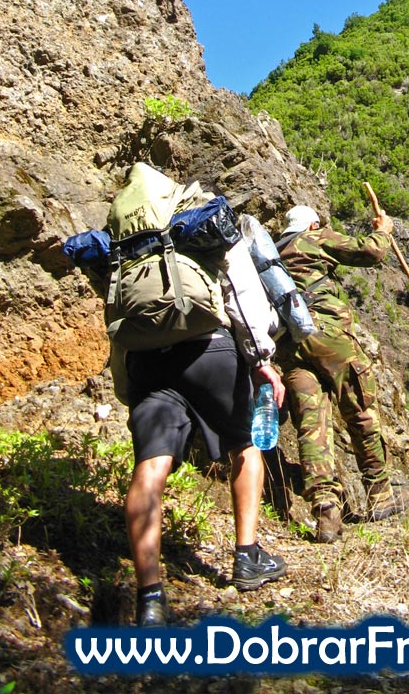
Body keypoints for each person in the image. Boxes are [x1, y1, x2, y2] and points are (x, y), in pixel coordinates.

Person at [119, 237, 288, 626]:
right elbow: (241, 291)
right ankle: (247, 556)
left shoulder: (128, 237)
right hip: (209, 350)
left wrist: (127, 382)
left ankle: (150, 597)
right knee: (244, 445)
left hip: (145, 359)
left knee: (150, 464)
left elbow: (117, 310)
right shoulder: (204, 221)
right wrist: (261, 358)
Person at [276, 204, 404, 543]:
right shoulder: (313, 238)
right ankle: (379, 495)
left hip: (289, 347)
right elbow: (370, 252)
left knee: (311, 425)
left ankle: (326, 513)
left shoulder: (274, 255)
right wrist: (383, 230)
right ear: (313, 224)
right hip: (327, 335)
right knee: (360, 407)